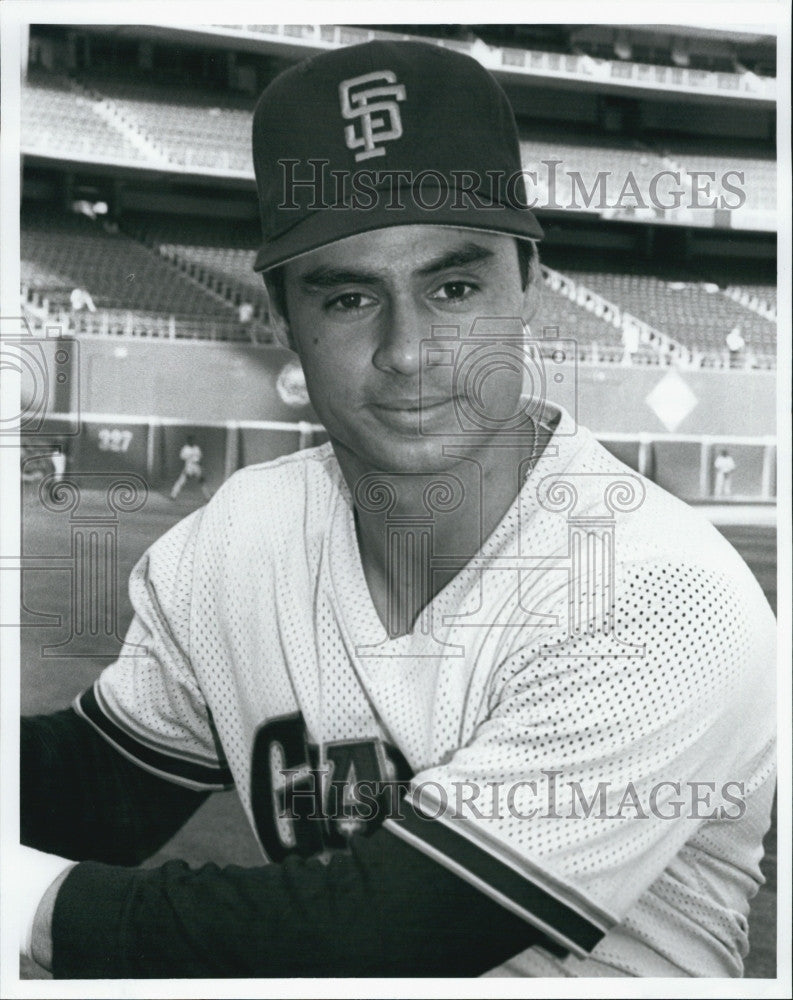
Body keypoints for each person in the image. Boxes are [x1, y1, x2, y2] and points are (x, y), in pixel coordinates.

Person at [20, 40, 775, 979]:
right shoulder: (238, 538)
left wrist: (22, 902)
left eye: (453, 287)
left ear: (529, 284)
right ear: (283, 316)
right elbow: (97, 790)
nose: (409, 350)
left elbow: (381, 938)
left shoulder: (663, 595)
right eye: (347, 297)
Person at [169, 436, 212, 501]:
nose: (191, 441)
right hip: (189, 465)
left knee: (202, 481)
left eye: (192, 440)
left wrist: (200, 465)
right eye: (190, 440)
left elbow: (200, 457)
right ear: (188, 441)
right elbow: (182, 457)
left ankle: (208, 497)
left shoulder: (196, 448)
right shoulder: (185, 448)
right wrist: (189, 457)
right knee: (182, 480)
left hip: (196, 466)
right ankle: (173, 495)